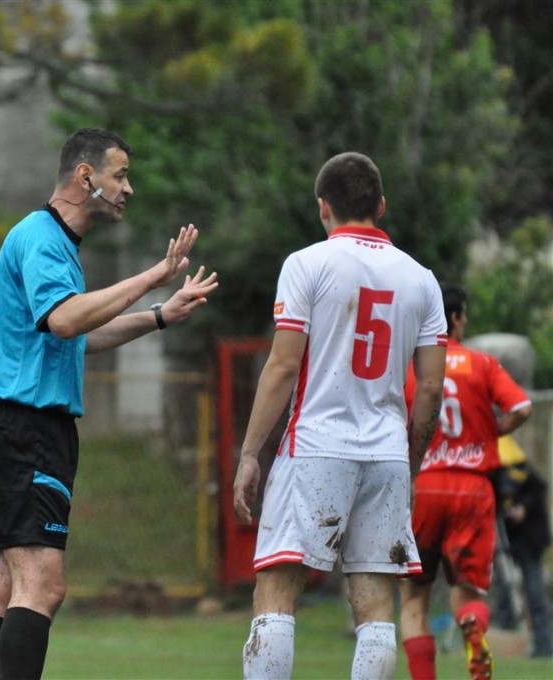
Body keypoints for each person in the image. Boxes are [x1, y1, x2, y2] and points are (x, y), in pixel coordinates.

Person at [0, 127, 219, 680]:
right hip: (25, 432)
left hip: (7, 430)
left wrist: (159, 315)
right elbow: (66, 318)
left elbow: (76, 334)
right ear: (86, 176)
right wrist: (154, 276)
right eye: (120, 175)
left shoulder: (52, 245)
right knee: (44, 587)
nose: (128, 188)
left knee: (10, 590)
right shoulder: (44, 240)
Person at [232, 152, 447, 680]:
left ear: (323, 207)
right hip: (386, 456)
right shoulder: (422, 279)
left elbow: (283, 367)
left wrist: (249, 453)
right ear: (381, 206)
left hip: (316, 447)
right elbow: (432, 387)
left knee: (278, 587)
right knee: (375, 605)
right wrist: (411, 462)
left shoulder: (306, 264)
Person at [398, 283, 533, 680]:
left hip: (425, 487)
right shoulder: (482, 363)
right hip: (474, 489)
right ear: (455, 319)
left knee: (413, 602)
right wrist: (494, 431)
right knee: (468, 592)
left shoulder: (410, 369)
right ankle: (472, 624)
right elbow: (522, 407)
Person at [490, 435, 553, 658]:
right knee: (504, 590)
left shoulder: (529, 477)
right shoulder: (494, 476)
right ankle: (508, 642)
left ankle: (544, 645)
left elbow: (538, 492)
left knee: (534, 592)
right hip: (506, 541)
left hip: (529, 541)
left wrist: (523, 507)